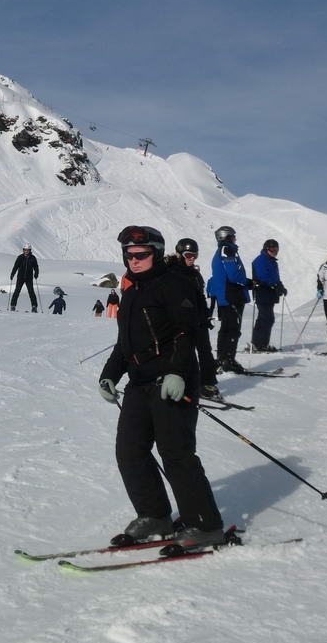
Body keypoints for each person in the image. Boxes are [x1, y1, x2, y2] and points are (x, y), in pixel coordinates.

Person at [98, 225, 224, 548]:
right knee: (129, 451)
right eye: (129, 255)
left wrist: (178, 371)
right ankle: (155, 515)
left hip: (173, 381)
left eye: (141, 255)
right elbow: (124, 344)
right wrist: (109, 374)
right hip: (140, 385)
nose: (134, 260)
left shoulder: (174, 283)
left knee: (176, 454)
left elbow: (188, 331)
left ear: (155, 252)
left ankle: (205, 524)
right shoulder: (131, 292)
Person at [168, 238, 222, 401]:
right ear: (179, 254)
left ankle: (207, 383)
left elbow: (199, 297)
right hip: (180, 322)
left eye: (195, 255)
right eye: (188, 255)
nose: (192, 259)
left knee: (205, 351)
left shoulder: (194, 274)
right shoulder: (172, 272)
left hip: (198, 320)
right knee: (183, 353)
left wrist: (205, 315)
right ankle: (179, 382)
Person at [208, 225, 250, 373]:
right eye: (233, 236)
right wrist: (247, 282)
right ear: (228, 237)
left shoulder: (222, 250)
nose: (235, 238)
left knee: (227, 328)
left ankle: (222, 358)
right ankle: (228, 360)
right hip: (232, 294)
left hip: (226, 295)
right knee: (233, 329)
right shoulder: (227, 249)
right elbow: (233, 274)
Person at [250, 239, 287, 352]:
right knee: (267, 318)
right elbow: (263, 276)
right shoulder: (261, 260)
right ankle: (259, 344)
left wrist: (280, 285)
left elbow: (275, 277)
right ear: (267, 249)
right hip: (262, 291)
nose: (275, 252)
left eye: (276, 250)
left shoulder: (272, 261)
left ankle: (258, 344)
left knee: (264, 318)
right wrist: (275, 285)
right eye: (272, 250)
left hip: (269, 292)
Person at [9, 243, 39, 312]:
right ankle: (13, 306)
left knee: (31, 292)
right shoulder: (20, 257)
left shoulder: (33, 258)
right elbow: (15, 266)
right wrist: (12, 274)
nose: (26, 251)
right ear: (23, 250)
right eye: (25, 250)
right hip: (20, 277)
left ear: (30, 250)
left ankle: (34, 306)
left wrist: (36, 273)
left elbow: (36, 267)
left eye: (28, 250)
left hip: (29, 278)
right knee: (17, 291)